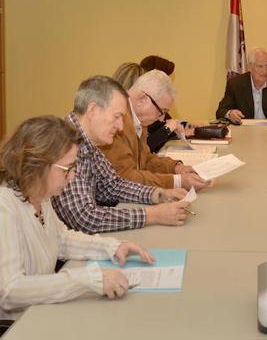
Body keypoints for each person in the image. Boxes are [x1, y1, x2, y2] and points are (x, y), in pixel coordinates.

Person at [0, 116, 154, 323]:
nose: (72, 177)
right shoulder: (5, 206)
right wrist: (87, 280)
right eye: (68, 169)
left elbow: (61, 239)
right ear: (37, 165)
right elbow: (10, 291)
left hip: (41, 312)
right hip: (17, 325)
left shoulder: (39, 194)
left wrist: (112, 247)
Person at [52, 75, 190, 234]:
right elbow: (85, 218)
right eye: (117, 116)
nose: (120, 126)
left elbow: (113, 184)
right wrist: (152, 215)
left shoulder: (89, 140)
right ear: (92, 111)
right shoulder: (65, 145)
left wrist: (158, 194)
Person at [100, 70, 209, 191]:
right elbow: (125, 177)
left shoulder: (138, 118)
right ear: (142, 99)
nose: (162, 119)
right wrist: (177, 181)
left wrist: (176, 168)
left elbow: (146, 159)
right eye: (161, 111)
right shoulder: (116, 121)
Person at [215, 48, 267, 123]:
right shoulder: (235, 84)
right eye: (260, 66)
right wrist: (230, 113)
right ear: (250, 67)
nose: (264, 71)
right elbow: (221, 111)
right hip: (245, 132)